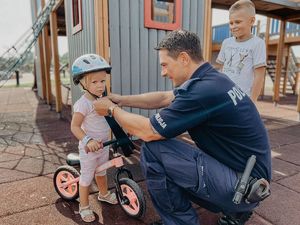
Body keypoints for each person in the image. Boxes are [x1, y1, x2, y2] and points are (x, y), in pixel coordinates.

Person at [93, 30, 271, 225]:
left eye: (165, 65)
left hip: (242, 187)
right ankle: (230, 211)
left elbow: (148, 132)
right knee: (174, 155)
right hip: (250, 180)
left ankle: (182, 221)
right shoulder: (212, 80)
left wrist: (111, 109)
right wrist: (121, 100)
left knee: (154, 150)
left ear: (184, 58)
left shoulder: (201, 91)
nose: (163, 72)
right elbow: (164, 98)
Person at [70, 54, 118, 223]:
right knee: (86, 177)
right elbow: (75, 127)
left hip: (103, 145)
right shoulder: (83, 104)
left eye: (102, 81)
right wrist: (88, 141)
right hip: (89, 149)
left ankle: (103, 194)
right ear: (82, 82)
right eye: (94, 82)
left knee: (102, 171)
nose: (100, 86)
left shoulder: (102, 99)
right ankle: (83, 206)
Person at [216, 0, 266, 103]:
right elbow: (219, 68)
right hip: (223, 95)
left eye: (238, 22)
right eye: (231, 23)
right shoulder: (226, 43)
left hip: (242, 99)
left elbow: (259, 76)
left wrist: (252, 101)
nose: (233, 26)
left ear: (251, 21)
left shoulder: (258, 44)